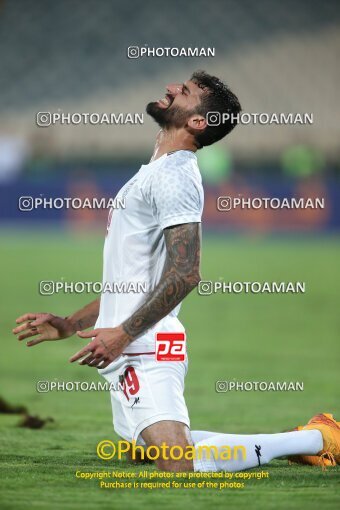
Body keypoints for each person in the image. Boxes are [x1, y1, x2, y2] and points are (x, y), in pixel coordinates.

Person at [13, 71, 339, 472]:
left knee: (176, 465)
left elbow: (186, 273)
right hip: (123, 344)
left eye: (184, 92)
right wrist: (67, 324)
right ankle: (304, 441)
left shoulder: (175, 176)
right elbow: (130, 285)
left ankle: (317, 438)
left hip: (145, 343)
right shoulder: (153, 171)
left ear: (197, 122)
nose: (170, 88)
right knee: (148, 451)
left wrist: (123, 335)